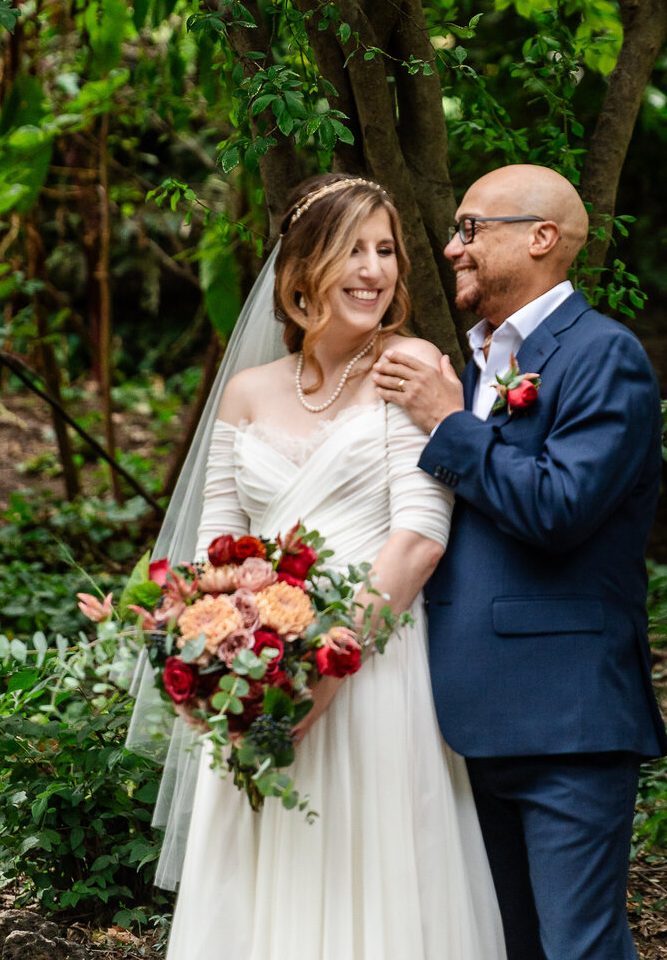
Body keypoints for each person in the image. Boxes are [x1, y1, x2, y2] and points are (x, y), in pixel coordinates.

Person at [147, 174, 506, 960]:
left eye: (386, 250)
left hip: (374, 667)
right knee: (264, 871)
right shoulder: (244, 393)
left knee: (370, 869)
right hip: (261, 671)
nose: (375, 269)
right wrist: (213, 663)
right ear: (302, 268)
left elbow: (419, 537)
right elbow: (215, 553)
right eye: (354, 249)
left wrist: (328, 668)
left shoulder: (407, 367)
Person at [373, 163, 667, 960]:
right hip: (459, 718)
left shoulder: (605, 355)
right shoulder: (471, 365)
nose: (450, 246)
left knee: (579, 947)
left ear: (541, 238)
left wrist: (446, 421)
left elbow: (560, 507)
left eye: (470, 228)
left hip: (565, 718)